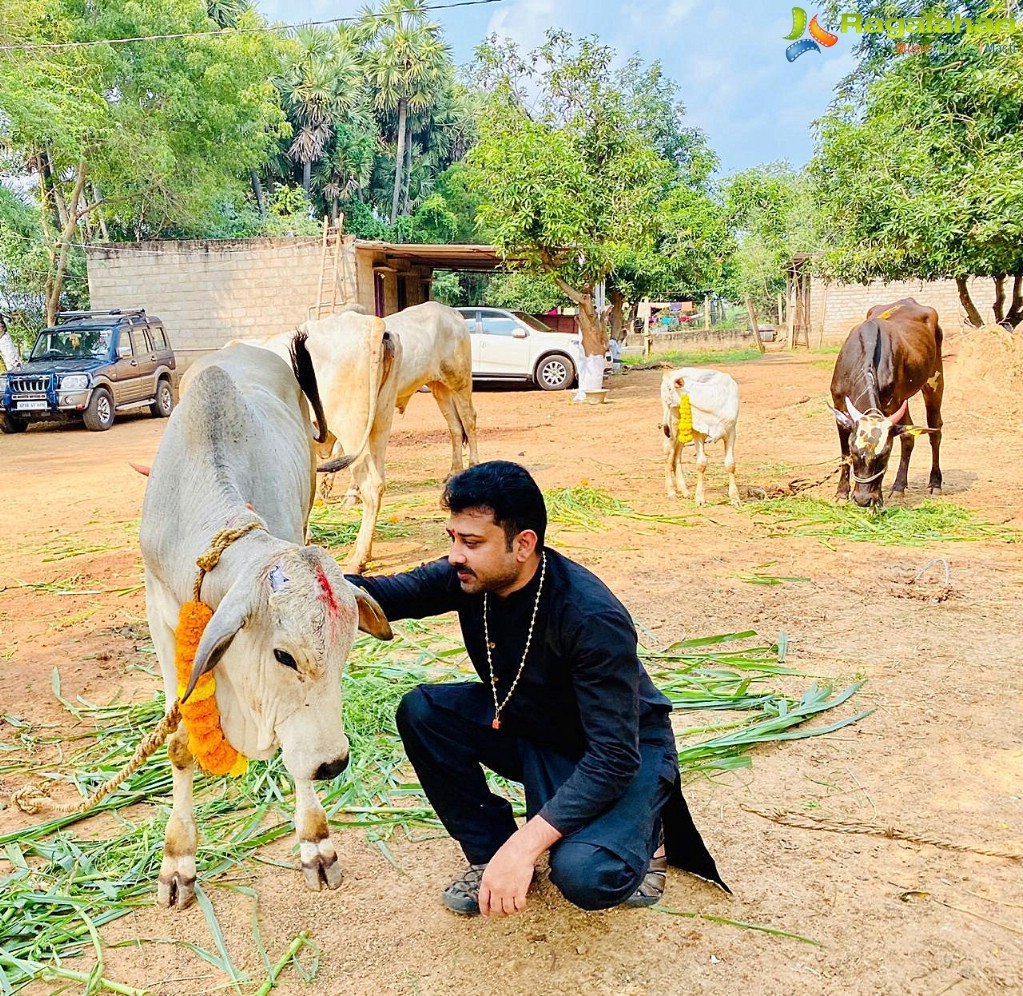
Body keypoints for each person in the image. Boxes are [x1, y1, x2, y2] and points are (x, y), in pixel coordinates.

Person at [348, 461, 727, 917]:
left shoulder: (590, 616)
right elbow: (377, 594)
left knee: (587, 875)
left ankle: (649, 827)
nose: (454, 555)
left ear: (523, 544)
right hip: (532, 724)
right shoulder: (469, 575)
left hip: (620, 751)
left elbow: (614, 755)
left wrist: (526, 845)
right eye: (452, 538)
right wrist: (280, 570)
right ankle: (488, 853)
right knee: (424, 712)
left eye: (471, 542)